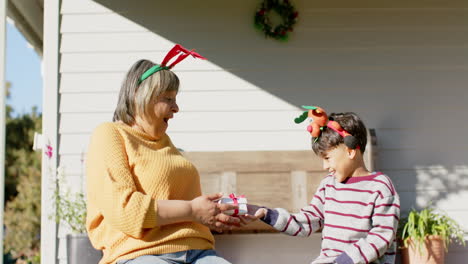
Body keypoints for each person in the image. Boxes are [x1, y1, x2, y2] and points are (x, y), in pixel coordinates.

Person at [86, 45, 240, 264]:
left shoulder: (166, 144)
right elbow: (126, 209)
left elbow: (187, 209)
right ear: (140, 96)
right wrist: (192, 210)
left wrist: (217, 213)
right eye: (167, 98)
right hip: (140, 253)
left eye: (175, 99)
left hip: (198, 252)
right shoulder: (110, 134)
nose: (176, 108)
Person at [245, 107, 400, 264]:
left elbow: (382, 235)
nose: (325, 166)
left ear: (351, 151)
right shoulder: (329, 185)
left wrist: (345, 260)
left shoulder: (380, 187)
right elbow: (307, 222)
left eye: (327, 157)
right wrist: (266, 213)